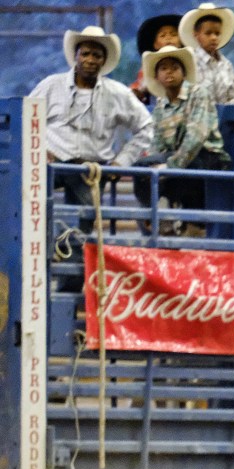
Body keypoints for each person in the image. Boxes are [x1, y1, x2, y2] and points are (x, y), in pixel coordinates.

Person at [29, 26, 153, 289]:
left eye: (97, 55)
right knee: (26, 201)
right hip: (50, 165)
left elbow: (146, 126)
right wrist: (39, 150)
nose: (90, 60)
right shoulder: (51, 86)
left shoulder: (117, 93)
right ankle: (35, 252)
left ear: (103, 60)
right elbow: (26, 119)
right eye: (85, 53)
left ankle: (69, 286)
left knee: (81, 227)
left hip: (89, 170)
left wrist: (122, 161)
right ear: (76, 56)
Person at [135, 45, 231, 236]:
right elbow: (158, 141)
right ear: (157, 76)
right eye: (163, 68)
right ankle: (157, 216)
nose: (169, 71)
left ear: (183, 73)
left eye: (174, 67)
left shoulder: (198, 93)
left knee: (178, 172)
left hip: (208, 156)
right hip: (179, 159)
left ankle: (170, 217)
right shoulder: (161, 105)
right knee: (140, 167)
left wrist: (169, 166)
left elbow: (196, 137)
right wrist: (155, 162)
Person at [179, 2, 234, 104]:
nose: (213, 38)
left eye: (217, 33)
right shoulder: (190, 63)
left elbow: (232, 97)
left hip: (224, 118)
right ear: (196, 34)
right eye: (208, 33)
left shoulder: (226, 65)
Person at [130, 14, 183, 104]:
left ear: (181, 41)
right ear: (155, 44)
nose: (168, 37)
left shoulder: (190, 63)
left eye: (173, 34)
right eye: (162, 35)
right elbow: (138, 87)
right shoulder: (148, 67)